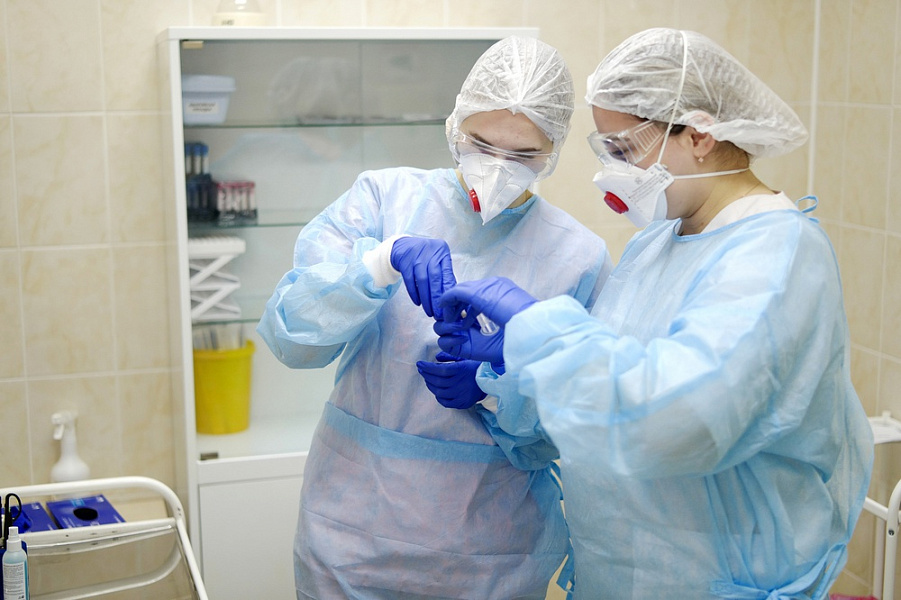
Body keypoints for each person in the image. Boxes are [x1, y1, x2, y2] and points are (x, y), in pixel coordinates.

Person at [434, 28, 874, 599]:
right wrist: (512, 372)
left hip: (712, 583)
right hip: (621, 576)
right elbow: (610, 396)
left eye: (624, 151)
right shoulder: (657, 243)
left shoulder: (777, 253)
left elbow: (675, 420)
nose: (611, 174)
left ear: (699, 134)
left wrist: (537, 332)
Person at [257, 36, 613, 600]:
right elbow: (293, 337)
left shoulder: (579, 256)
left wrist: (496, 390)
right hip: (351, 536)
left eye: (523, 155)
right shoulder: (384, 200)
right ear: (455, 125)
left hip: (491, 553)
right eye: (481, 144)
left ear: (554, 150)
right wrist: (379, 262)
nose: (497, 168)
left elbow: (579, 420)